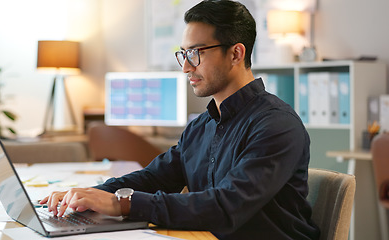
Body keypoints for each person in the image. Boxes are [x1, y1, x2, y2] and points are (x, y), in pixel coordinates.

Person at [41, 1, 321, 239]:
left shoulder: (276, 125)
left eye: (196, 53)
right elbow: (154, 177)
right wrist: (87, 194)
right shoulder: (202, 125)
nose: (186, 66)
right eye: (184, 54)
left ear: (236, 53)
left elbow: (225, 207)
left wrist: (122, 204)